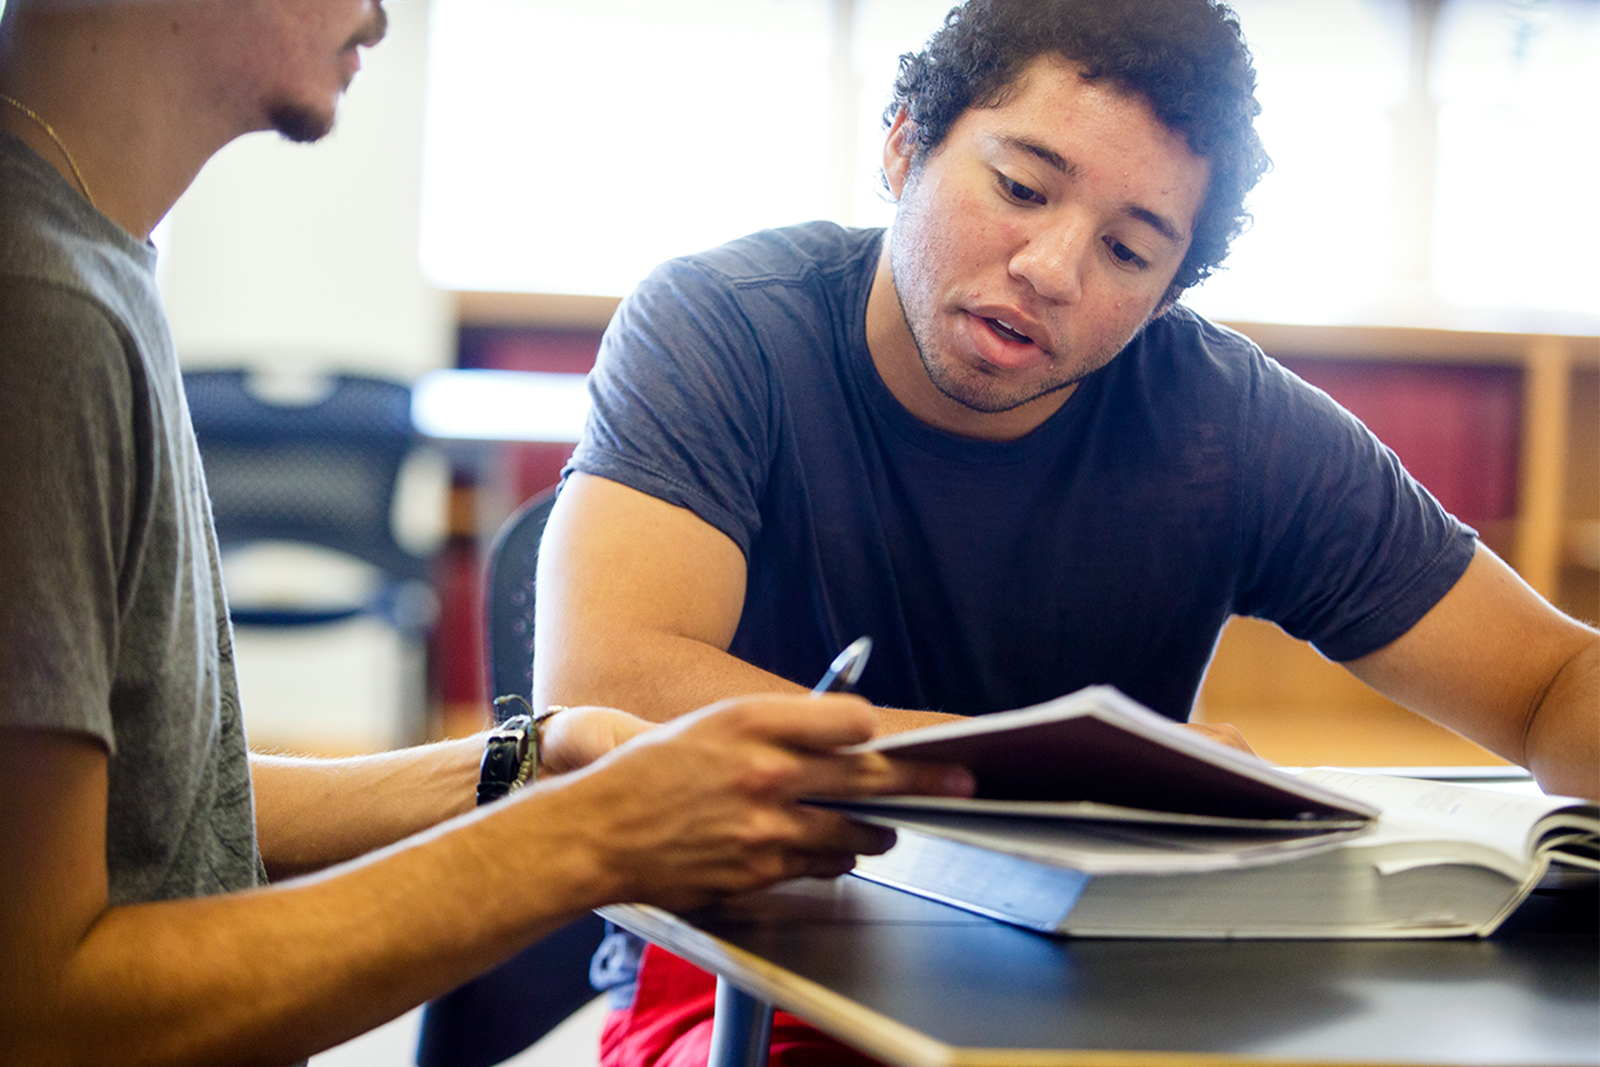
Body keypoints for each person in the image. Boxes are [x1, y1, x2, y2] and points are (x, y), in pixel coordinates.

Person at [532, 0, 1600, 1062]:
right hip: (744, 959)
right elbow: (602, 683)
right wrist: (1060, 775)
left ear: (1168, 290)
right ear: (905, 142)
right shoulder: (724, 327)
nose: (1052, 267)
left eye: (1130, 251)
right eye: (1020, 187)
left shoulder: (1228, 420)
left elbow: (1551, 679)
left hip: (1103, 984)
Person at [0, 2, 977, 1064]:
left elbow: (159, 811)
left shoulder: (88, 261)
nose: (379, 10)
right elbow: (44, 1008)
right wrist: (594, 835)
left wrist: (528, 765)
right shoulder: (40, 309)